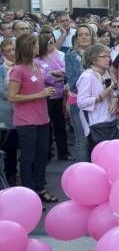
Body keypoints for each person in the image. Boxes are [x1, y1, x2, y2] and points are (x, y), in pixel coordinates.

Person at [8, 33, 56, 202]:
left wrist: (46, 90)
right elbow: (12, 97)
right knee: (28, 157)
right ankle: (28, 194)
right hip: (26, 121)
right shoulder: (18, 70)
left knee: (42, 154)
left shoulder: (36, 64)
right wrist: (40, 94)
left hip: (42, 118)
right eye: (35, 45)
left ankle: (40, 187)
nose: (38, 48)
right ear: (28, 48)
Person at [76, 44, 119, 155]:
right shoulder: (87, 76)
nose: (107, 59)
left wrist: (114, 99)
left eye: (108, 56)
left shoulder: (105, 73)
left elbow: (113, 90)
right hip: (96, 124)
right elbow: (81, 102)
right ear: (93, 59)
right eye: (103, 56)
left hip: (111, 121)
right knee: (99, 156)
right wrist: (100, 97)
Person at [36, 32, 68, 162]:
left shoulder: (56, 56)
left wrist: (57, 75)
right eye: (50, 42)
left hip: (59, 95)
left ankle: (63, 153)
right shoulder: (36, 60)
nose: (53, 44)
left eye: (53, 41)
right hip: (46, 97)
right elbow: (43, 76)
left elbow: (65, 71)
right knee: (47, 127)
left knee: (60, 125)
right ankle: (47, 153)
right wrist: (57, 76)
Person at [65, 25, 96, 162]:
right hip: (78, 103)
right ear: (76, 38)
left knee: (97, 138)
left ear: (92, 37)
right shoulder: (70, 56)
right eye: (80, 34)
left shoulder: (99, 53)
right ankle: (84, 174)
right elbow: (73, 83)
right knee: (82, 140)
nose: (83, 37)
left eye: (86, 34)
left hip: (97, 102)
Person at [0, 39, 18, 185]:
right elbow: (4, 92)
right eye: (8, 51)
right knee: (8, 146)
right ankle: (9, 176)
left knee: (17, 146)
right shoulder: (1, 69)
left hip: (22, 113)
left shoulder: (24, 66)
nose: (11, 53)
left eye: (13, 49)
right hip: (5, 114)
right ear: (3, 53)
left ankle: (13, 174)